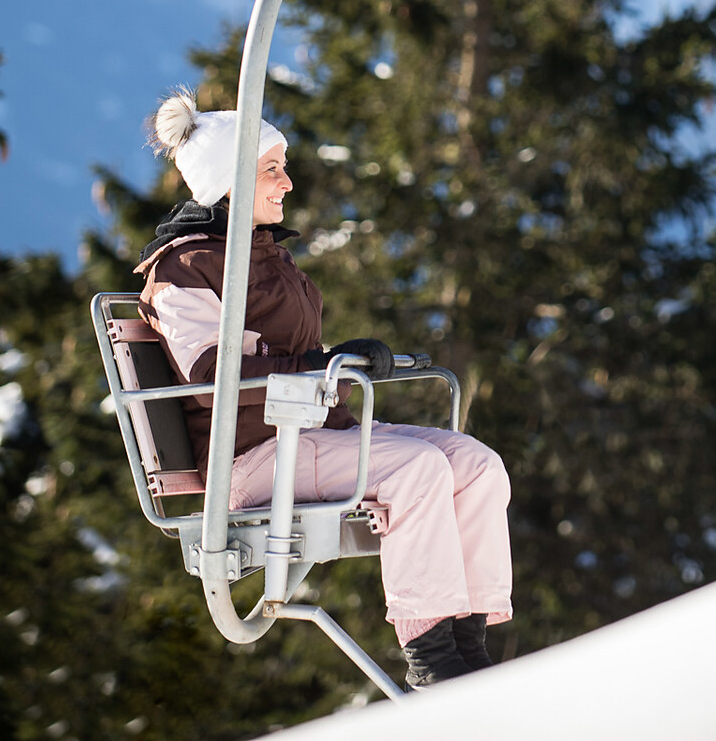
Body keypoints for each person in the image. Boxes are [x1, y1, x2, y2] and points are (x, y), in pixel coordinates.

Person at [135, 89, 510, 687]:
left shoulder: (262, 255)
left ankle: (470, 645)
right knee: (416, 471)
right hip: (252, 457)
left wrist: (333, 360)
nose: (287, 184)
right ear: (228, 181)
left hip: (308, 435)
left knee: (475, 463)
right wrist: (320, 364)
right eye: (272, 169)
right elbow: (210, 377)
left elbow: (298, 355)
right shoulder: (186, 270)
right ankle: (435, 662)